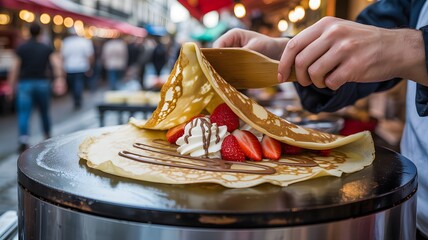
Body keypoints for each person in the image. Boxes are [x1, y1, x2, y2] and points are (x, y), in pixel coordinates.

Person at [214, 0, 428, 239]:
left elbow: (388, 41)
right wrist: (285, 53)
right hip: (414, 206)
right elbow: (360, 47)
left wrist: (409, 47)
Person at [6, 23, 66, 152]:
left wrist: (10, 87)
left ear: (29, 32)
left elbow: (15, 69)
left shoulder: (21, 48)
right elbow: (56, 64)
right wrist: (59, 79)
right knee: (44, 111)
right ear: (40, 33)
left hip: (25, 83)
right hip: (42, 83)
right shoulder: (46, 47)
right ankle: (47, 135)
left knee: (23, 113)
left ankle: (23, 139)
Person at [61, 29, 94, 110]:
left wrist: (63, 69)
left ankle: (76, 100)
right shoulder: (84, 42)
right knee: (78, 84)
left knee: (74, 85)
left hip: (70, 67)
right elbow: (90, 56)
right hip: (81, 67)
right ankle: (78, 99)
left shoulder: (66, 42)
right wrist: (89, 67)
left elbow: (63, 57)